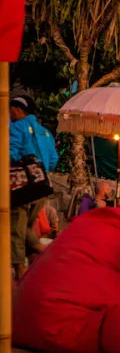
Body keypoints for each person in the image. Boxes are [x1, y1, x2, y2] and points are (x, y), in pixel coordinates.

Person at [10, 96, 59, 279]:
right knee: (27, 228)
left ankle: (21, 272)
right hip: (42, 188)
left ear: (18, 110)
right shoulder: (46, 132)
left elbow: (10, 152)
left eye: (11, 110)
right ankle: (40, 261)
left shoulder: (16, 127)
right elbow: (53, 160)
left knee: (15, 228)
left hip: (22, 188)